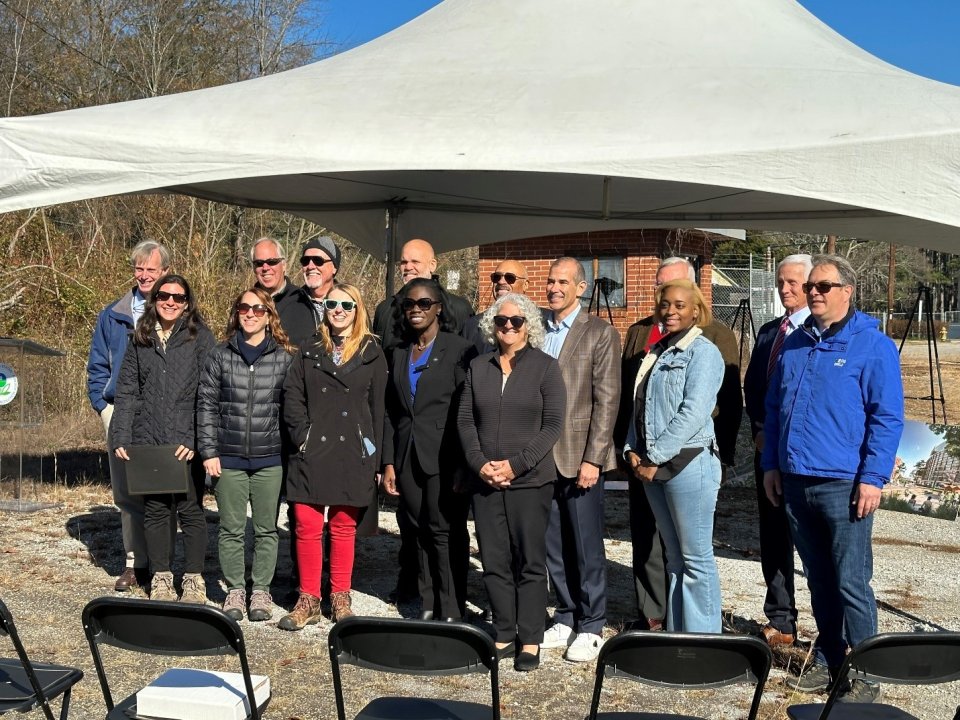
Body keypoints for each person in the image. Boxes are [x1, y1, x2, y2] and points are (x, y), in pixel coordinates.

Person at [762, 255, 904, 703]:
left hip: (845, 484)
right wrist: (771, 464)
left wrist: (873, 477)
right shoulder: (796, 343)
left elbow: (887, 418)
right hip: (795, 481)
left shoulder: (873, 345)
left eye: (824, 285)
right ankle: (830, 660)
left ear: (848, 290)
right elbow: (773, 409)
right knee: (819, 579)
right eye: (811, 287)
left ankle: (867, 672)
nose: (815, 293)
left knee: (851, 581)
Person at [615, 256, 741, 631]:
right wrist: (630, 450)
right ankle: (677, 633)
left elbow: (693, 412)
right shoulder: (656, 352)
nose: (670, 312)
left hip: (689, 465)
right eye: (665, 305)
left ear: (696, 311)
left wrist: (652, 455)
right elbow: (639, 404)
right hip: (652, 466)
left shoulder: (704, 353)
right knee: (674, 559)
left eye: (679, 306)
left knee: (696, 557)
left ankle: (703, 639)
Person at [458, 293, 565, 672]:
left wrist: (516, 466)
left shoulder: (546, 367)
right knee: (494, 560)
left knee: (530, 563)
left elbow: (552, 424)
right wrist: (480, 464)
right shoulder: (478, 367)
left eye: (516, 321)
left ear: (528, 325)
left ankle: (530, 639)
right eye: (501, 320)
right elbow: (466, 422)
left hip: (530, 482)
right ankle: (503, 632)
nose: (507, 326)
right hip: (486, 482)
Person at [279, 282, 387, 629]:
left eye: (346, 304)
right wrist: (303, 437)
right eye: (331, 303)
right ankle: (308, 597)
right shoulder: (309, 348)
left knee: (343, 527)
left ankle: (340, 595)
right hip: (312, 450)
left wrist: (375, 455)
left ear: (358, 310)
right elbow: (292, 394)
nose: (338, 310)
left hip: (353, 450)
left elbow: (379, 408)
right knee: (306, 525)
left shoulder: (372, 351)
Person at [373, 237, 474, 602]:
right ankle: (428, 600)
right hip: (406, 455)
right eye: (410, 304)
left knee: (444, 529)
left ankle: (452, 603)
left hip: (445, 456)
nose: (416, 308)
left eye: (424, 303)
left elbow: (468, 408)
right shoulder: (398, 353)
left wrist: (466, 462)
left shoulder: (459, 350)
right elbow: (390, 410)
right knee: (415, 528)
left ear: (439, 309)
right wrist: (387, 461)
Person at [111, 274, 216, 602]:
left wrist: (196, 438)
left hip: (186, 443)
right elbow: (127, 390)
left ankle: (194, 579)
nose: (171, 302)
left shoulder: (200, 337)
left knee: (190, 510)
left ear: (188, 303)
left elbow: (209, 392)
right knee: (156, 510)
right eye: (165, 296)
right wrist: (121, 435)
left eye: (179, 297)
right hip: (149, 438)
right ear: (155, 298)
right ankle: (161, 578)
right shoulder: (140, 337)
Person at [540, 257, 620, 663]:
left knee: (586, 544)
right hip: (540, 457)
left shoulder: (599, 333)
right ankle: (567, 614)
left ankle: (592, 623)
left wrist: (594, 458)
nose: (554, 288)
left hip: (579, 457)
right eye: (551, 281)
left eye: (563, 282)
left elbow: (607, 402)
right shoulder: (536, 328)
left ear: (581, 287)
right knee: (553, 543)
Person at [197, 288, 295, 622]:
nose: (250, 313)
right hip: (228, 457)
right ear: (236, 313)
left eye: (257, 308)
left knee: (267, 528)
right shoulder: (220, 355)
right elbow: (206, 406)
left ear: (269, 315)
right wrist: (208, 451)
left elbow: (292, 410)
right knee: (231, 528)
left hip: (270, 458)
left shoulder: (284, 358)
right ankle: (236, 589)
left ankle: (262, 591)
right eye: (243, 308)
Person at [86, 240, 174, 592]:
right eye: (139, 268)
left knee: (163, 490)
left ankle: (163, 567)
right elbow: (97, 367)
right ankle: (135, 565)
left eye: (152, 269)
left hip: (162, 414)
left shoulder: (175, 309)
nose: (144, 275)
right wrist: (103, 406)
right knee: (126, 494)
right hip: (119, 412)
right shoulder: (113, 314)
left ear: (165, 272)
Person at [742, 254, 812, 647]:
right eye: (780, 282)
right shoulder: (770, 332)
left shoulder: (820, 333)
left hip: (805, 455)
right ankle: (781, 618)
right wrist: (758, 429)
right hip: (767, 452)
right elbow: (753, 386)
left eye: (793, 283)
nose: (785, 290)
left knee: (812, 541)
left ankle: (835, 628)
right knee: (773, 536)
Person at [373, 238, 474, 350]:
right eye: (404, 262)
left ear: (432, 265)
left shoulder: (458, 308)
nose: (408, 267)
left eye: (415, 261)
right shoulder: (386, 309)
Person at [463, 259, 529, 353]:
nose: (501, 282)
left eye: (510, 277)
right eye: (497, 277)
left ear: (525, 285)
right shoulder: (473, 326)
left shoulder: (542, 323)